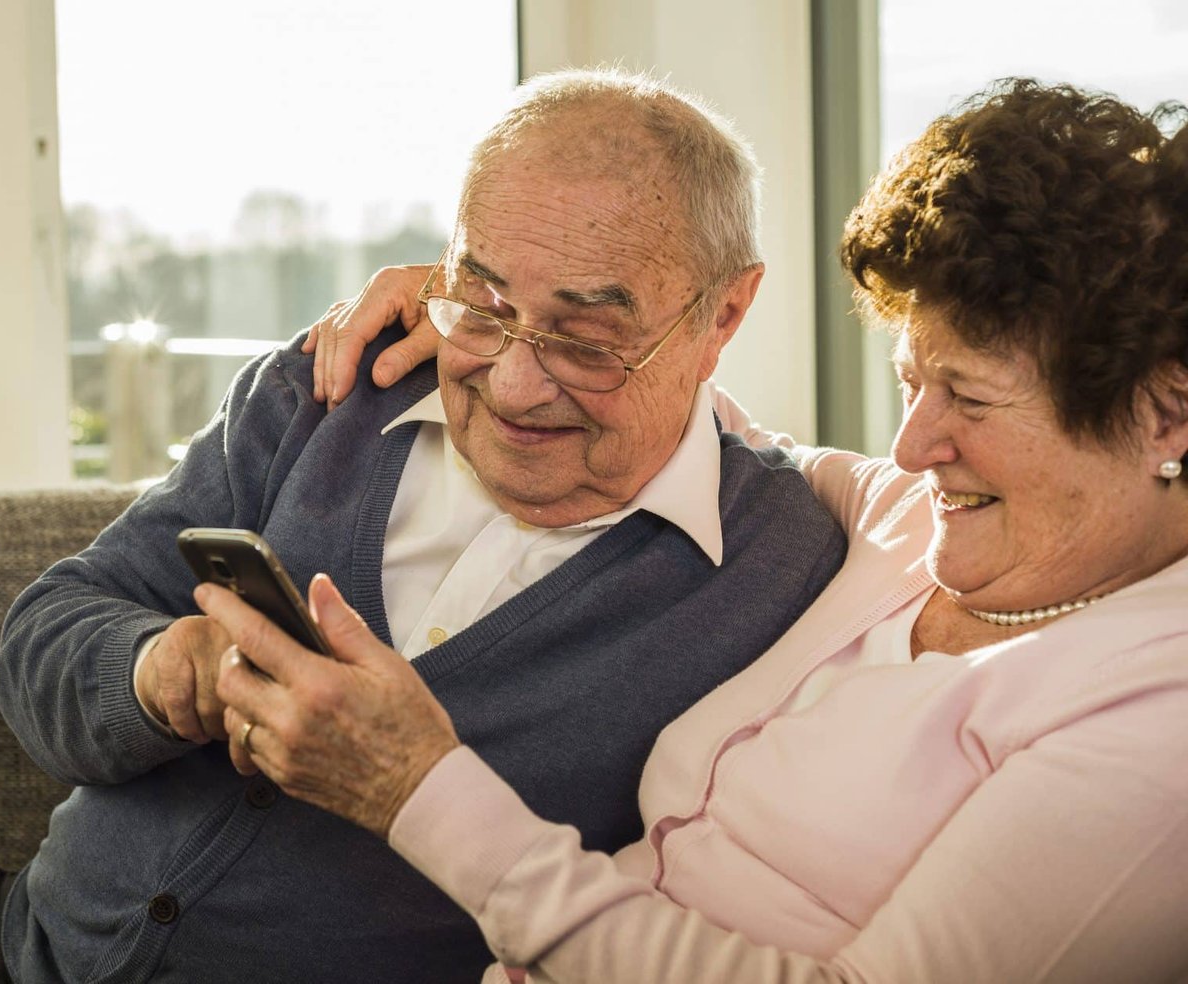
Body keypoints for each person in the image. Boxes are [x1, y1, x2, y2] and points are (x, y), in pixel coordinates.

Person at [0, 70, 845, 983]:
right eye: (482, 301)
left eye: (586, 337)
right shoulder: (330, 395)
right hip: (14, 952)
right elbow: (40, 645)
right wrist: (165, 672)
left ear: (725, 315)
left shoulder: (783, 564)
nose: (515, 382)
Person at [202, 78, 1188, 982]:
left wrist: (418, 789)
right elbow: (700, 427)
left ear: (1166, 415)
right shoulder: (901, 519)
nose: (914, 442)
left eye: (967, 399)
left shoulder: (1158, 725)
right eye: (910, 383)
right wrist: (492, 310)